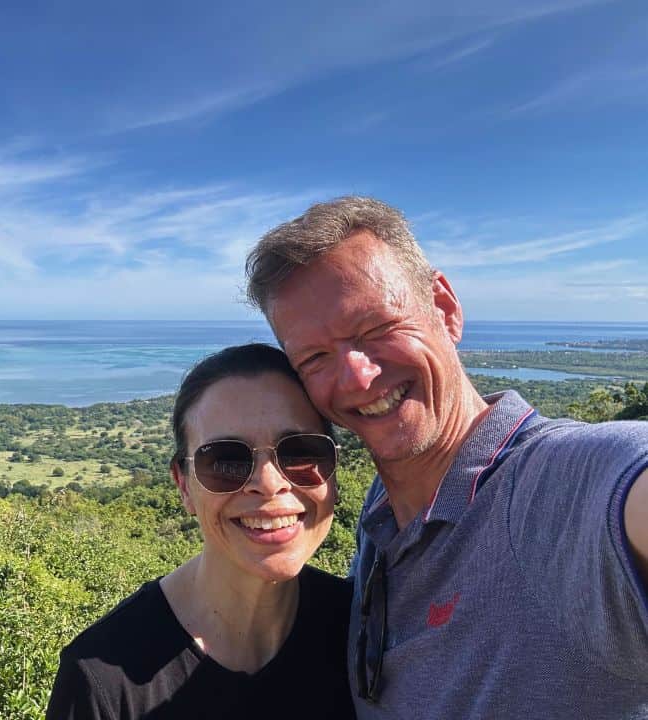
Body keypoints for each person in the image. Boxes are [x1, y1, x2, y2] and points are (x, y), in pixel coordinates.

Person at [245, 196, 648, 719]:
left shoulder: (565, 486)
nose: (358, 377)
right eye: (316, 357)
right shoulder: (381, 516)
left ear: (445, 308)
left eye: (375, 329)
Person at [46, 343, 356, 719]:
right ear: (183, 486)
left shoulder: (365, 633)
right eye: (226, 460)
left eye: (300, 452)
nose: (269, 483)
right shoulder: (105, 681)